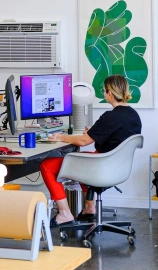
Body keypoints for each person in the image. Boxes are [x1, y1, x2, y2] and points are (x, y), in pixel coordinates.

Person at [40, 74, 142, 227]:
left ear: (110, 93)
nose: (104, 93)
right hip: (118, 168)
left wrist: (61, 137)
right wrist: (94, 131)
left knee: (47, 166)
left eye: (104, 91)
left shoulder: (110, 116)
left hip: (101, 167)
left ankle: (64, 213)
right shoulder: (134, 116)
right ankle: (89, 207)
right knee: (82, 160)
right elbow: (116, 138)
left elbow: (83, 141)